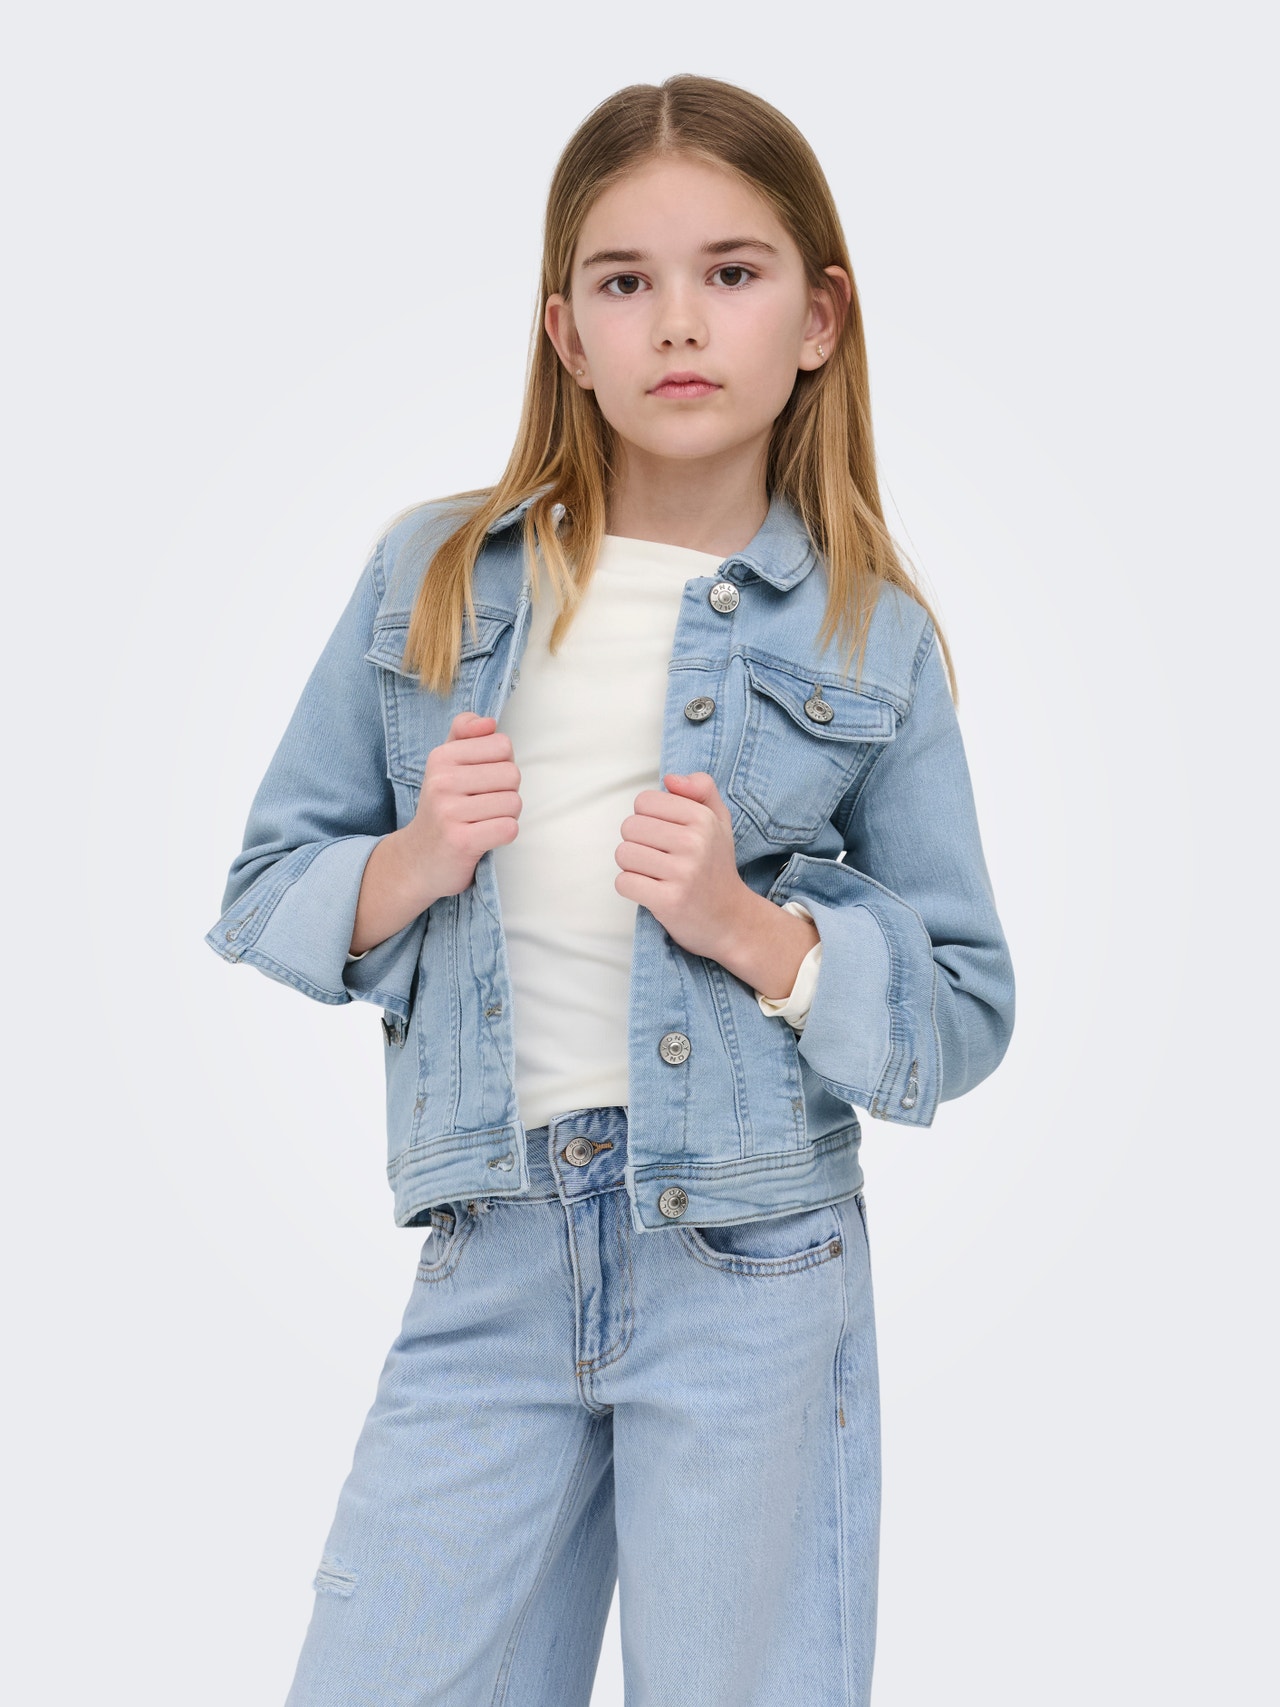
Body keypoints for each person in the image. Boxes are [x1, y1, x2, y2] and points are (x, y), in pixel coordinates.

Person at [205, 73, 1015, 1707]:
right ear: (566, 334)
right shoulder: (436, 578)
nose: (680, 323)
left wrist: (756, 933)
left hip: (753, 1267)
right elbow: (270, 882)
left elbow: (967, 1006)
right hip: (493, 1247)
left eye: (732, 272)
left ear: (819, 318)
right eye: (626, 281)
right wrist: (416, 862)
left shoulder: (870, 635)